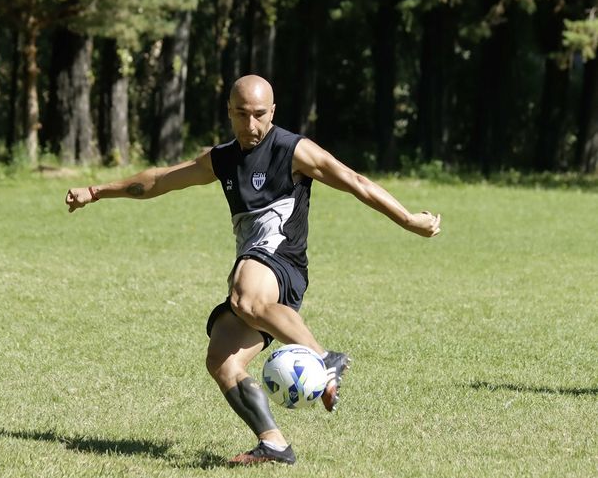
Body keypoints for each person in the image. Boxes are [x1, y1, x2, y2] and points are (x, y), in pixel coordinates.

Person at [65, 74, 441, 466]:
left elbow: (355, 181)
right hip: (258, 275)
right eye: (241, 115)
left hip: (282, 265)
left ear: (273, 112)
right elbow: (158, 180)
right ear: (229, 112)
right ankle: (274, 443)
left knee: (243, 293)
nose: (251, 125)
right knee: (222, 361)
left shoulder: (293, 150)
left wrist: (408, 220)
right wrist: (96, 192)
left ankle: (324, 359)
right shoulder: (223, 158)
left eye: (259, 115)